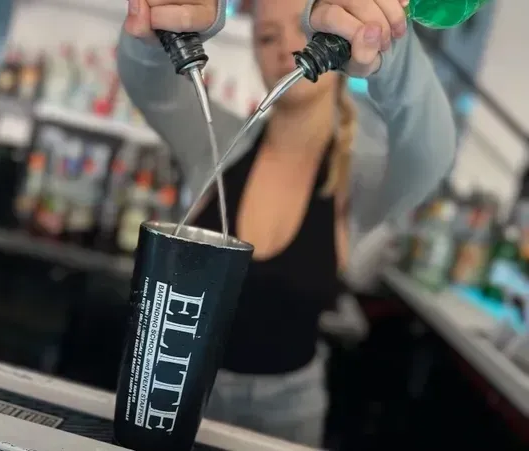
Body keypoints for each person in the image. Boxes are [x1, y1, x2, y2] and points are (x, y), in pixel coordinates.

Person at [118, 0, 456, 447]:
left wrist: (385, 41)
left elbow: (431, 151)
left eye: (302, 27)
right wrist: (162, 24)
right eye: (266, 36)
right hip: (178, 385)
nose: (284, 48)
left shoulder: (361, 178)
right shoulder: (217, 143)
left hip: (289, 411)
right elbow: (150, 87)